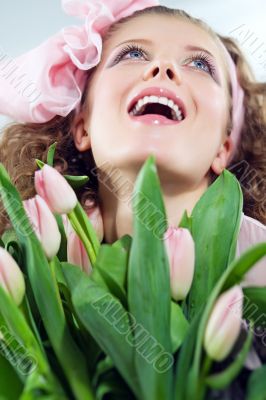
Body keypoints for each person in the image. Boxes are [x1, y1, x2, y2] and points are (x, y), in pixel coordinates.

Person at [0, 2, 265, 286]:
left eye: (200, 64)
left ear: (222, 149)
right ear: (82, 129)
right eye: (133, 53)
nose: (163, 67)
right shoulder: (20, 275)